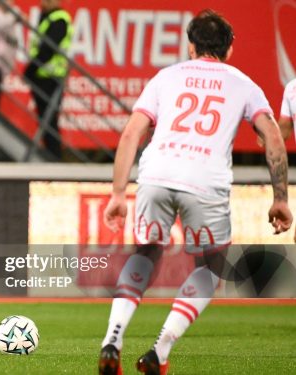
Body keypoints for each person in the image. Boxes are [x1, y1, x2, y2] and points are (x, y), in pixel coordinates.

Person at [98, 10, 291, 375]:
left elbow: (130, 134)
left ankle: (113, 339)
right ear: (229, 49)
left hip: (156, 173)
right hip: (206, 180)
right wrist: (279, 197)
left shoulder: (164, 78)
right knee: (210, 265)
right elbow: (273, 138)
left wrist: (119, 193)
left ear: (190, 44)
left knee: (145, 253)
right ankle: (160, 349)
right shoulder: (244, 84)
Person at [24, 0, 73, 160]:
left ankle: (54, 158)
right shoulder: (47, 17)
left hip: (50, 78)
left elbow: (48, 49)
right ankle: (52, 157)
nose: (42, 2)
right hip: (42, 76)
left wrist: (30, 69)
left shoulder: (59, 18)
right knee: (46, 121)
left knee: (49, 120)